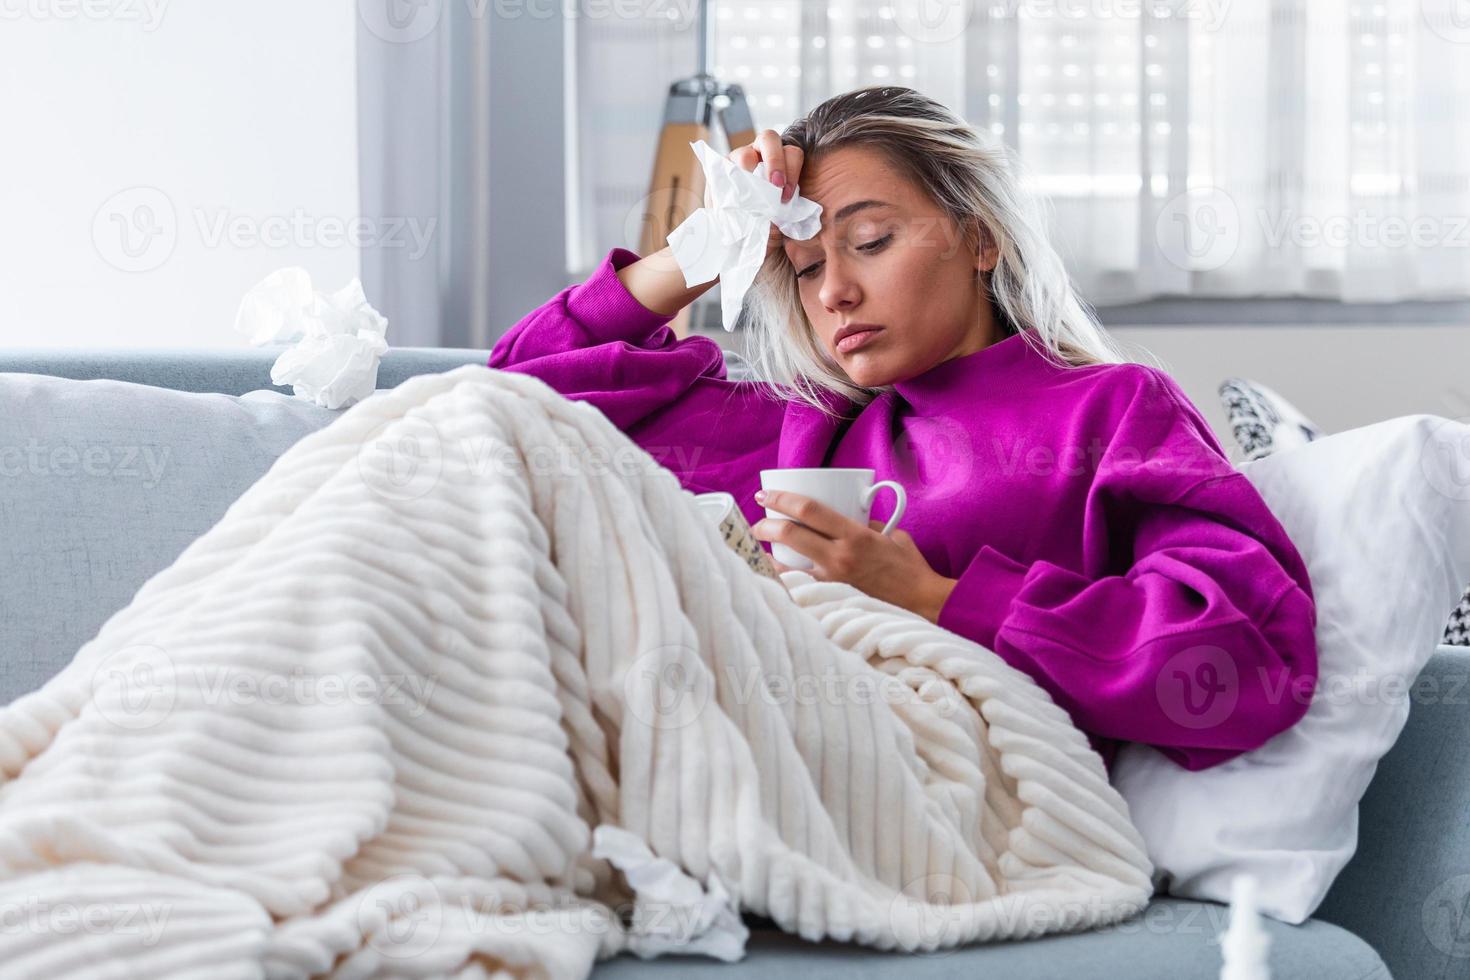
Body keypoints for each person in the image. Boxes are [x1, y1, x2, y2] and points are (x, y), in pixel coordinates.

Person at [488, 86, 1318, 775]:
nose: (833, 293)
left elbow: (1247, 660)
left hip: (939, 784)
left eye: (872, 242)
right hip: (740, 742)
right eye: (808, 268)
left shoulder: (1108, 410)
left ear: (980, 237)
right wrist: (700, 252)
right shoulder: (802, 420)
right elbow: (506, 407)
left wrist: (938, 598)